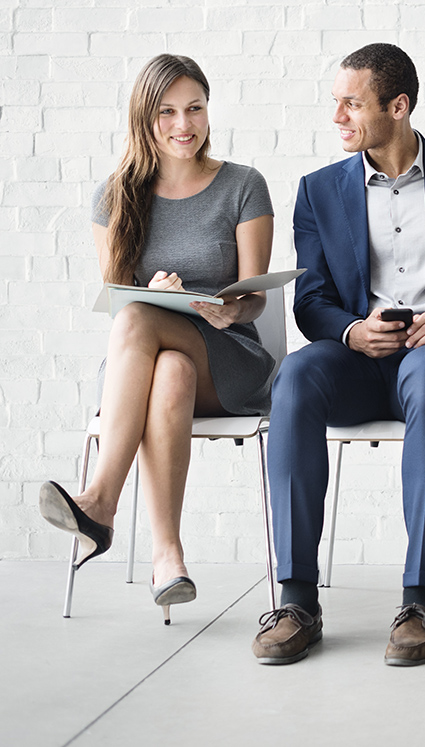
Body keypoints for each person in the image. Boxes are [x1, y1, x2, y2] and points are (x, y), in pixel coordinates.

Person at [252, 43, 425, 666]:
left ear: (398, 107)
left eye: (352, 103)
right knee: (296, 374)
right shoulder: (319, 191)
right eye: (336, 103)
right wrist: (352, 331)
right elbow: (311, 299)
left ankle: (424, 600)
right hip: (361, 362)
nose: (338, 116)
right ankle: (296, 599)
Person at [38, 54, 275, 625]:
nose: (183, 124)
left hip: (228, 359)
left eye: (195, 108)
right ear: (144, 118)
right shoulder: (115, 196)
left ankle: (100, 502)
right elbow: (117, 302)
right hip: (146, 367)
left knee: (142, 323)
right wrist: (150, 293)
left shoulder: (243, 185)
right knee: (168, 367)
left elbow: (256, 298)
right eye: (167, 112)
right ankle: (168, 557)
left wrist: (228, 310)